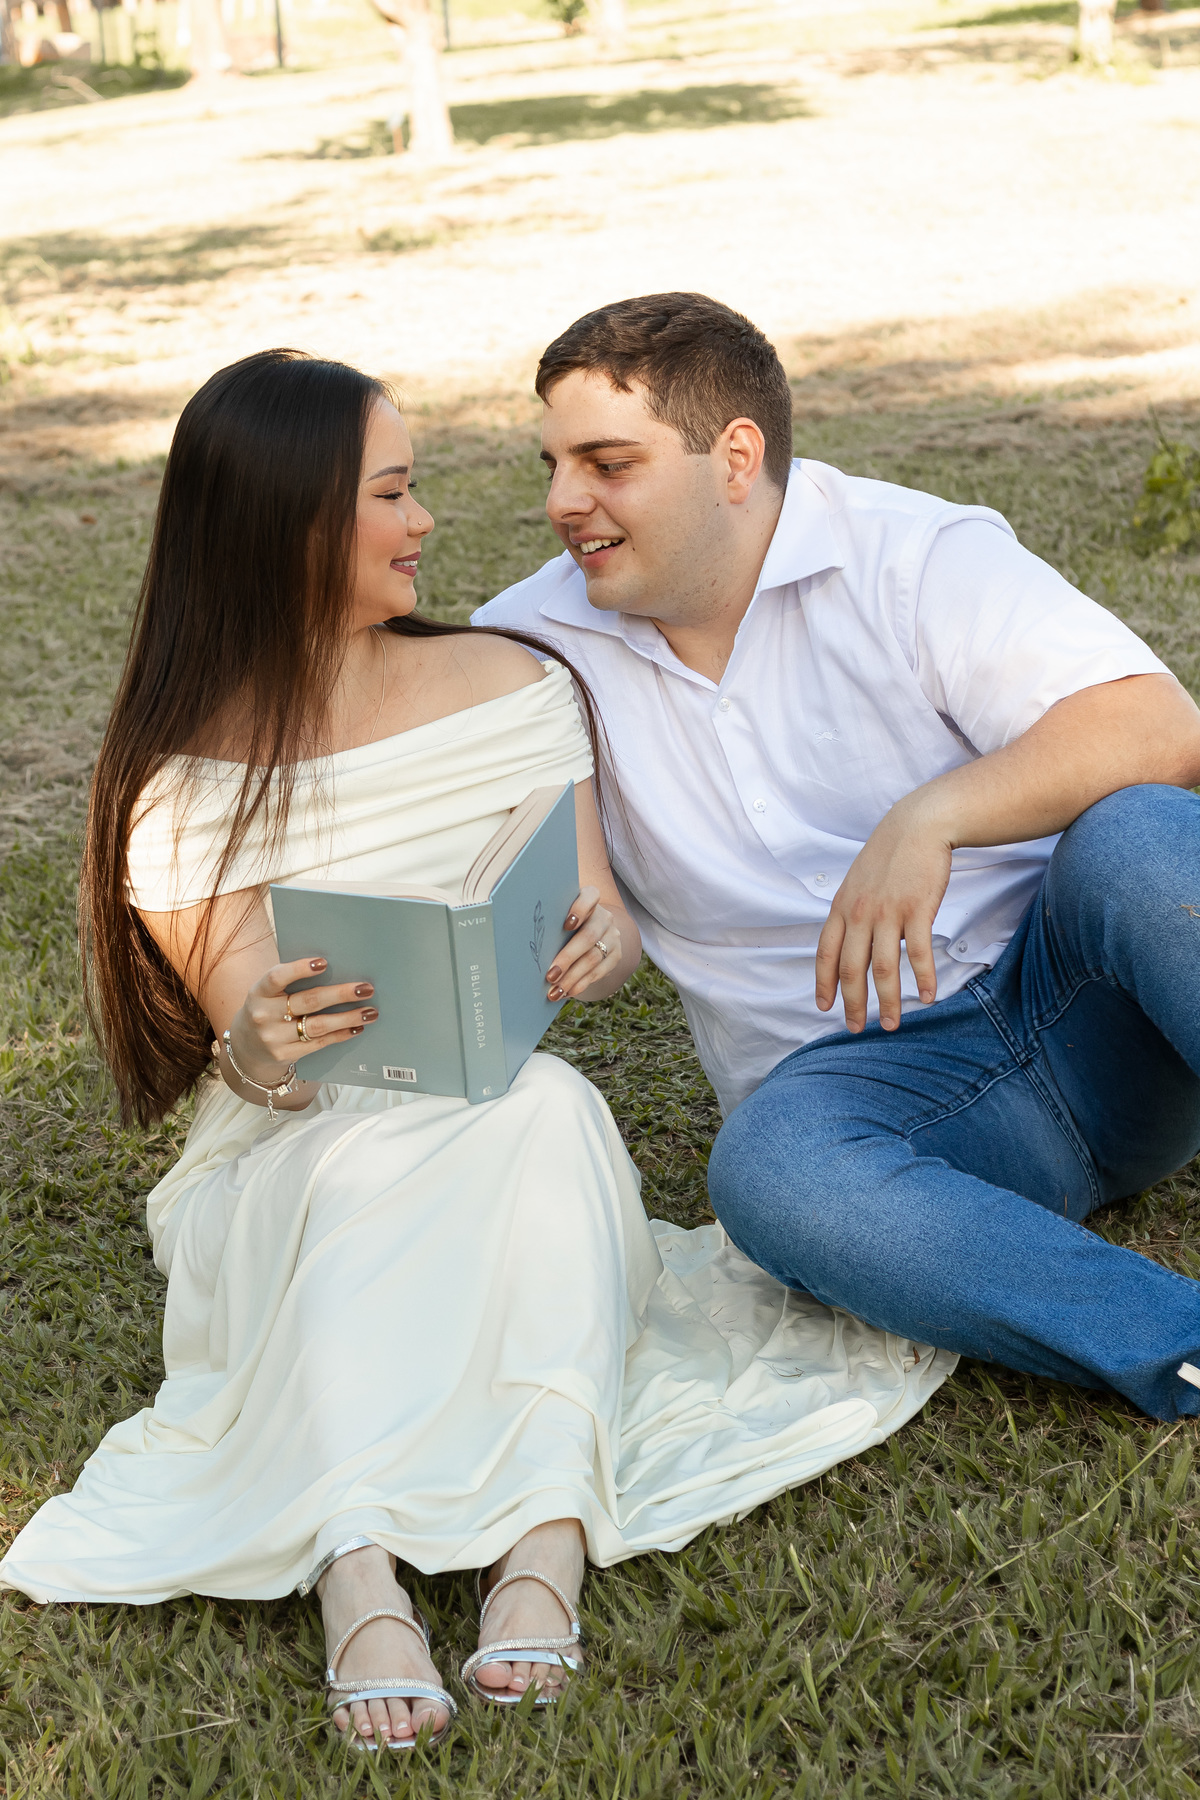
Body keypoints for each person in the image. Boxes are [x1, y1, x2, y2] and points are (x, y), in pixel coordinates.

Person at [0, 348, 954, 1752]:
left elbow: (603, 925)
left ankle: (544, 1540)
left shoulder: (512, 683)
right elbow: (246, 1049)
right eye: (393, 493)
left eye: (414, 487)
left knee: (549, 1099)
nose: (426, 521)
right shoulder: (183, 774)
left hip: (497, 1099)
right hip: (294, 1139)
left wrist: (593, 949)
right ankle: (357, 1561)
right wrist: (265, 1040)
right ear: (286, 525)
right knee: (348, 1156)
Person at [474, 291, 1200, 1425]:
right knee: (769, 1177)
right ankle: (1178, 1346)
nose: (563, 501)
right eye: (553, 463)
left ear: (734, 457)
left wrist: (933, 817)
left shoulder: (913, 554)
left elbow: (1159, 729)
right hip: (876, 1109)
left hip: (1099, 1018)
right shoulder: (528, 651)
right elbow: (584, 921)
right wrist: (580, 941)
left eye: (606, 462)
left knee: (1144, 836)